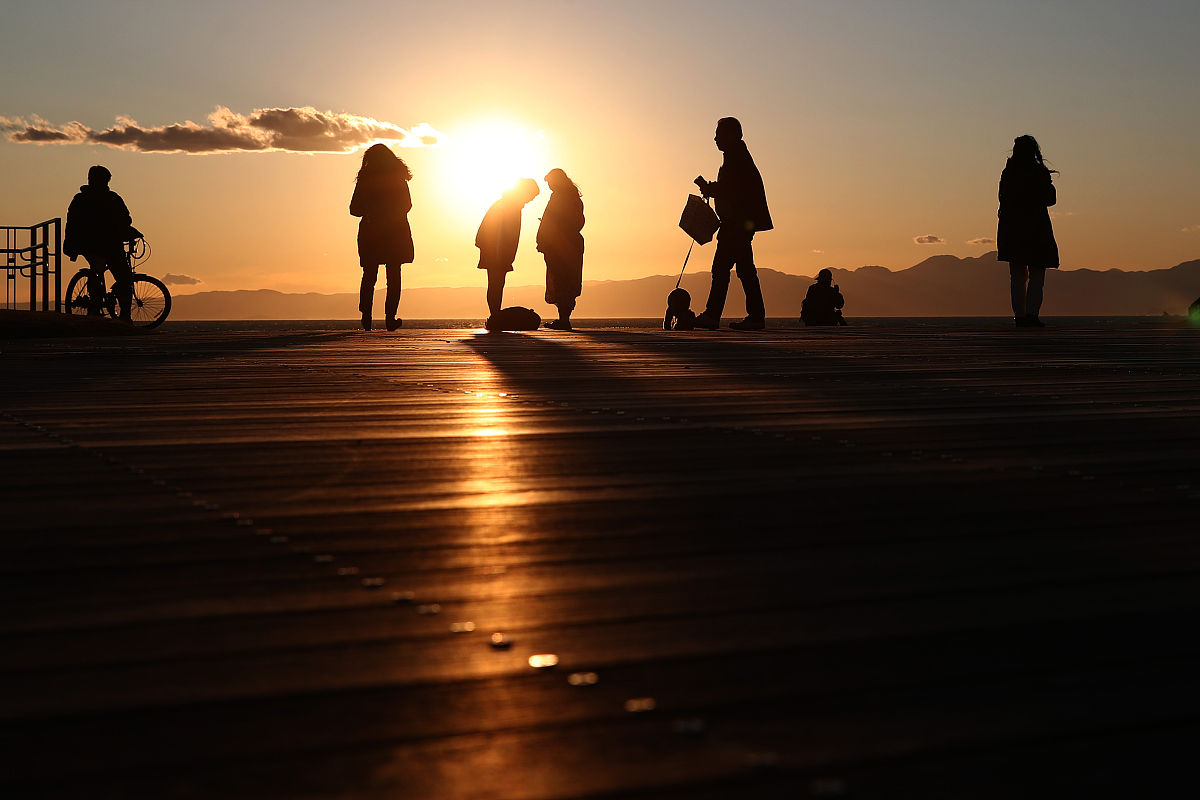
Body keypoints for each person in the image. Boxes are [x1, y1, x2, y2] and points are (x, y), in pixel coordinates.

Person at [692, 117, 773, 330]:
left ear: (732, 135)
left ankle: (712, 315)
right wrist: (711, 188)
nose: (715, 139)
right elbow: (732, 187)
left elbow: (733, 189)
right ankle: (755, 316)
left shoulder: (737, 158)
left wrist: (709, 189)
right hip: (741, 221)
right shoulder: (737, 156)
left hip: (738, 222)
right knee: (745, 269)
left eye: (719, 134)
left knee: (721, 267)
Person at [997, 134, 1059, 328]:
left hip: (1013, 229)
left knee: (1017, 275)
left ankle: (1020, 316)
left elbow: (1003, 200)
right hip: (1036, 229)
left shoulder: (1009, 173)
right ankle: (1031, 315)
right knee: (1036, 275)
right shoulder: (1038, 172)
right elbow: (1051, 199)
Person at [350, 143, 413, 331]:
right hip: (395, 232)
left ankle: (366, 316)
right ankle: (390, 318)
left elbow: (354, 209)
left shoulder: (365, 181)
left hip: (371, 232)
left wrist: (371, 212)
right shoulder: (399, 180)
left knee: (369, 274)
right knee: (394, 275)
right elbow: (407, 205)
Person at [63, 165, 133, 321]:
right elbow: (126, 220)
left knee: (98, 271)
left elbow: (71, 223)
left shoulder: (80, 199)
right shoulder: (113, 198)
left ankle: (96, 307)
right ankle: (124, 314)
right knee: (124, 277)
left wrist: (70, 244)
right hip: (108, 245)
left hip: (88, 245)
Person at [476, 178, 540, 323]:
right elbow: (498, 231)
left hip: (498, 252)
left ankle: (495, 315)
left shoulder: (509, 204)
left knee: (496, 284)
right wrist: (499, 254)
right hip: (497, 252)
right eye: (531, 196)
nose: (530, 200)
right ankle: (495, 316)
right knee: (496, 284)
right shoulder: (508, 206)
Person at [536, 169, 585, 330]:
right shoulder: (574, 198)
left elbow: (551, 220)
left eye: (550, 182)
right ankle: (564, 318)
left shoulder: (558, 197)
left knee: (560, 280)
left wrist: (542, 240)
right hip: (573, 244)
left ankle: (563, 319)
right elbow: (579, 221)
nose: (549, 186)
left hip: (559, 246)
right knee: (569, 281)